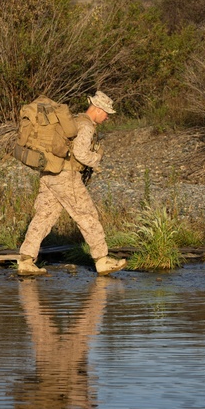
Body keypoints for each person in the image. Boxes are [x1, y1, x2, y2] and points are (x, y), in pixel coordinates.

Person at [17, 91, 127, 277]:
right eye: (106, 113)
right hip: (66, 176)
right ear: (97, 109)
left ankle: (26, 260)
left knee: (44, 216)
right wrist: (97, 158)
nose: (107, 117)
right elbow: (81, 154)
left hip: (49, 173)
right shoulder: (85, 126)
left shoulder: (74, 121)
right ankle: (102, 260)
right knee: (86, 214)